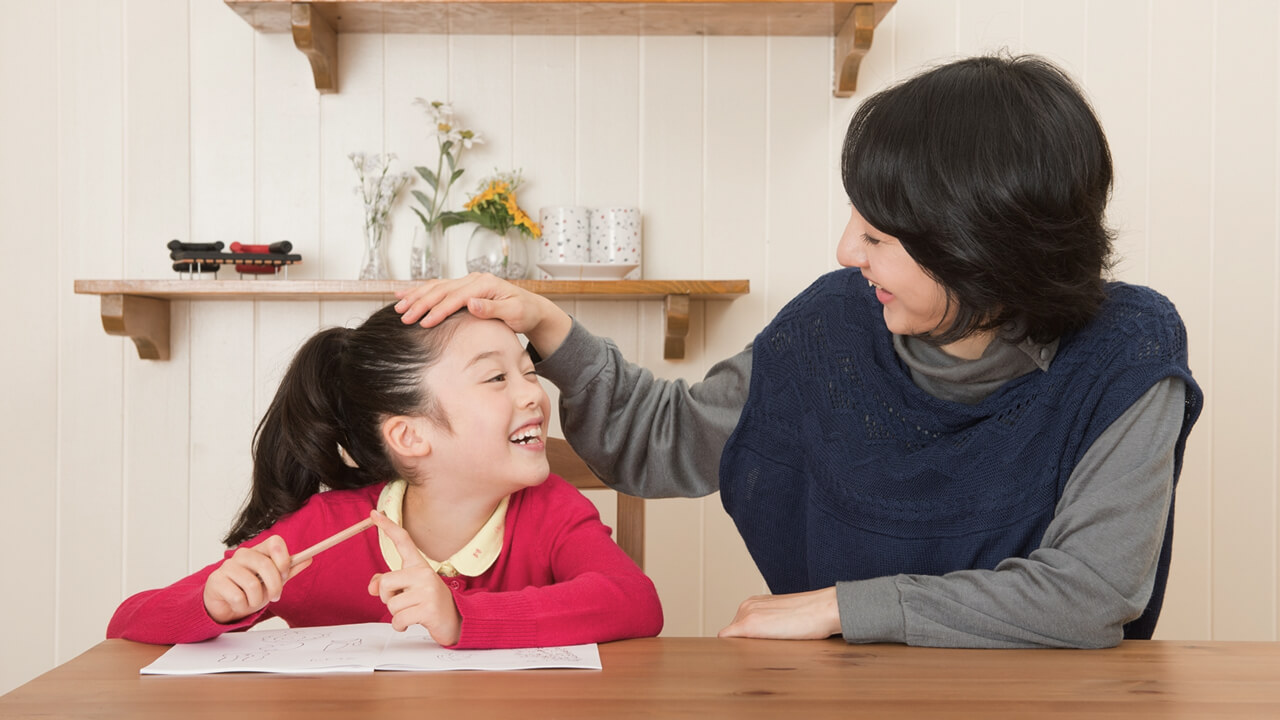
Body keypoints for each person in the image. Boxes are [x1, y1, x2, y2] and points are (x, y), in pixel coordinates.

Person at [395, 53, 1204, 649]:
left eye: (879, 236)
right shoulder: (832, 327)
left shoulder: (1126, 352)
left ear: (978, 254)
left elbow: (1091, 592)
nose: (847, 248)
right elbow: (663, 443)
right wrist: (549, 328)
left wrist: (842, 607)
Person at [107, 305, 663, 648]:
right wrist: (215, 603)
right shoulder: (326, 531)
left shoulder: (551, 509)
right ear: (409, 436)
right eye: (496, 377)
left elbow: (633, 601)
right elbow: (127, 622)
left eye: (527, 371)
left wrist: (461, 617)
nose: (532, 393)